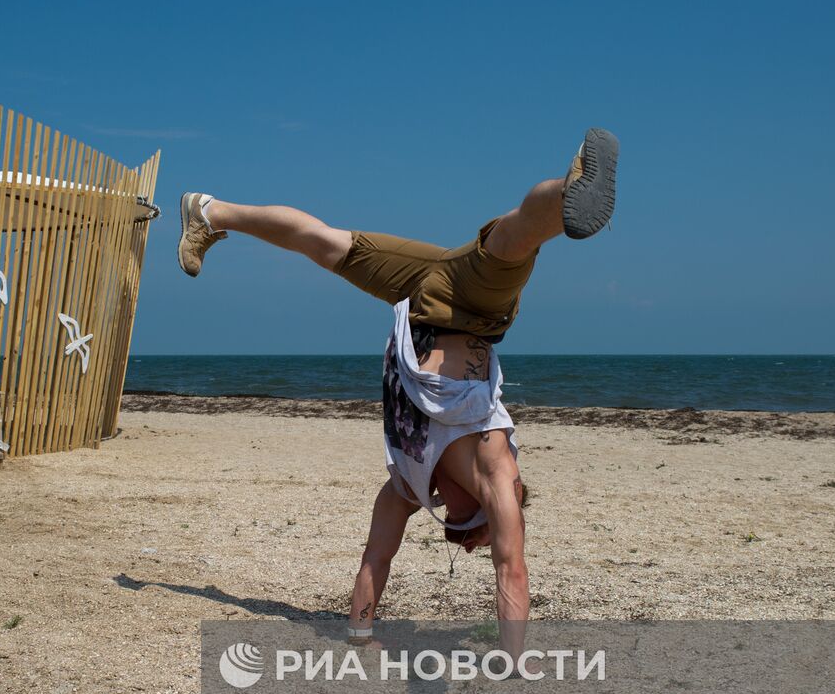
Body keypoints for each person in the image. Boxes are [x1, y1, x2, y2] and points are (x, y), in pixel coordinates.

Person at [177, 128, 619, 660]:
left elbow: (375, 558)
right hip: (472, 307)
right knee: (513, 243)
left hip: (426, 298)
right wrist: (515, 659)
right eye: (473, 527)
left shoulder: (409, 488)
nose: (464, 528)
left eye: (462, 528)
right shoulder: (495, 468)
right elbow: (513, 568)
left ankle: (209, 211)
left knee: (327, 245)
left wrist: (361, 637)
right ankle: (571, 186)